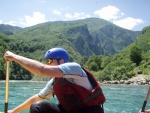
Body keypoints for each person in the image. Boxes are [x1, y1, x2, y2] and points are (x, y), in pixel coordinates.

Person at [4, 47, 106, 113]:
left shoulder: (75, 68)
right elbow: (36, 98)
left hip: (89, 110)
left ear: (61, 61)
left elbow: (41, 69)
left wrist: (13, 57)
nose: (48, 64)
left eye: (49, 60)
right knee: (38, 107)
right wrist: (14, 111)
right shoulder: (54, 82)